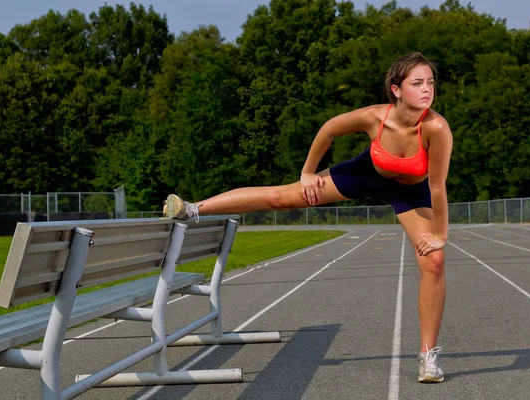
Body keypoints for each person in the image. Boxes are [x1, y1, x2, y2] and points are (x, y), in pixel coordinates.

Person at [163, 52, 452, 383]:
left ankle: (428, 358)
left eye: (430, 82)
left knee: (434, 261)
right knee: (281, 197)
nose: (427, 89)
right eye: (418, 83)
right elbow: (329, 129)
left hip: (410, 192)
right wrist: (307, 173)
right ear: (396, 89)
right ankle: (193, 208)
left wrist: (440, 235)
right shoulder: (374, 117)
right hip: (365, 173)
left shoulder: (436, 127)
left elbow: (437, 186)